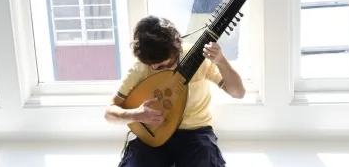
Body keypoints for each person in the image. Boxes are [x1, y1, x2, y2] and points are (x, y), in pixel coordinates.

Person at [104, 15, 245, 167]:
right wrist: (135, 114)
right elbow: (109, 113)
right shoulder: (142, 67)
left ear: (176, 50)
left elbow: (238, 93)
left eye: (163, 64)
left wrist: (221, 61)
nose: (155, 68)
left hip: (196, 133)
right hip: (154, 135)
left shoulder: (198, 58)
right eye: (151, 64)